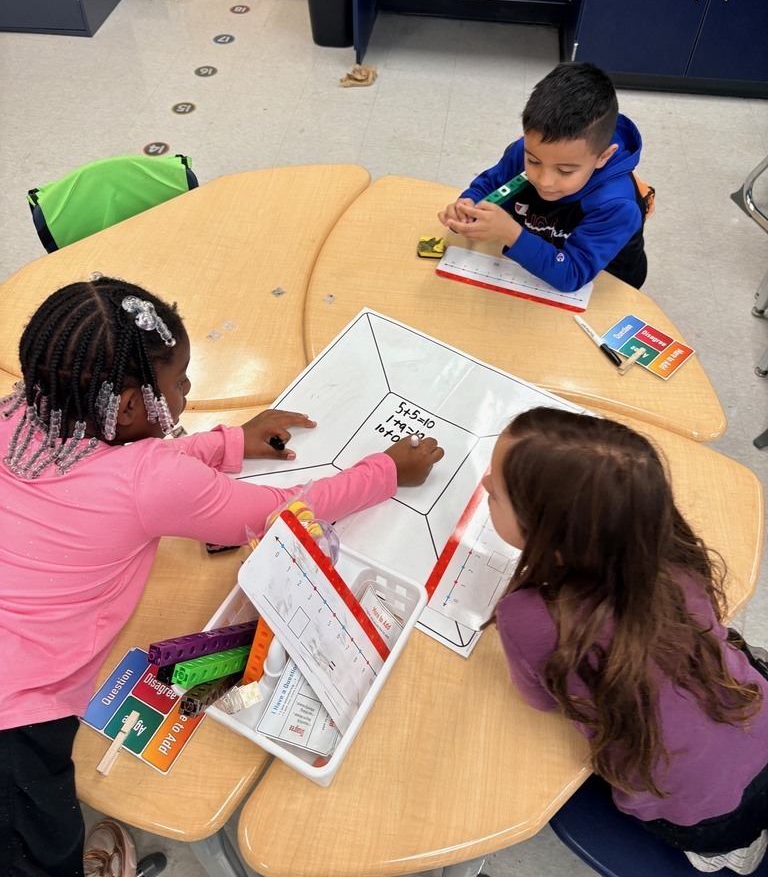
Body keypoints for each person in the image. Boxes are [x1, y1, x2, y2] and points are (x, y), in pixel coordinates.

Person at [0, 275, 444, 877]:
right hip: (17, 711)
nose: (188, 390)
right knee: (34, 854)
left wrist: (228, 443)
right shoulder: (150, 479)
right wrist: (387, 470)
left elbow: (125, 462)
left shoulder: (28, 410)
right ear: (129, 406)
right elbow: (284, 509)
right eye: (179, 381)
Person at [483, 407, 768, 875]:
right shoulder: (675, 552)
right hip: (759, 718)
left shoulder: (527, 618)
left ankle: (729, 852)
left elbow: (539, 701)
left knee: (706, 812)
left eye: (497, 494)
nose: (484, 483)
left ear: (555, 540)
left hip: (708, 818)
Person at [438, 62, 649, 292]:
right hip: (538, 261)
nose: (544, 180)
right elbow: (491, 186)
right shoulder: (523, 151)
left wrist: (511, 234)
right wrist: (468, 205)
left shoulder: (616, 205)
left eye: (565, 171)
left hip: (603, 284)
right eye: (534, 161)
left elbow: (573, 274)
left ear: (603, 157)